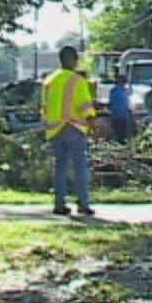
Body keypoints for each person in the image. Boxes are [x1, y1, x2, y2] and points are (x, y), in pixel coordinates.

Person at [39, 45, 97, 216]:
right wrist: (92, 124)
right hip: (74, 127)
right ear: (73, 60)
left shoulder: (49, 81)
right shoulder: (76, 80)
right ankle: (83, 203)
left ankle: (59, 203)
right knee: (79, 166)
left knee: (60, 166)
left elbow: (44, 108)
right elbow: (85, 106)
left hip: (54, 129)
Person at [107, 72, 135, 142]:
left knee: (118, 134)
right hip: (123, 116)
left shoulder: (114, 91)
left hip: (116, 115)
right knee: (124, 135)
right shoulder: (123, 91)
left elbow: (110, 104)